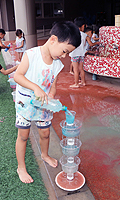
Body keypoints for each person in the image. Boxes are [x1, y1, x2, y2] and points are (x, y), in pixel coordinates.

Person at [13, 21, 81, 183]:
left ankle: (45, 155)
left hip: (43, 105)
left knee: (45, 133)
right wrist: (36, 87)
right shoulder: (31, 55)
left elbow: (53, 86)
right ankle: (21, 167)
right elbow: (18, 76)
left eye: (67, 53)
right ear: (53, 40)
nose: (64, 56)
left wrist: (50, 95)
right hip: (26, 103)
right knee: (23, 135)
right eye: (64, 51)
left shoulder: (57, 65)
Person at [69, 17, 99, 88]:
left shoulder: (72, 34)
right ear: (82, 26)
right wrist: (97, 43)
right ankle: (83, 82)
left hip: (74, 54)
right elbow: (91, 44)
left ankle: (76, 84)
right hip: (82, 54)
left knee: (76, 70)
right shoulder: (85, 35)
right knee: (81, 69)